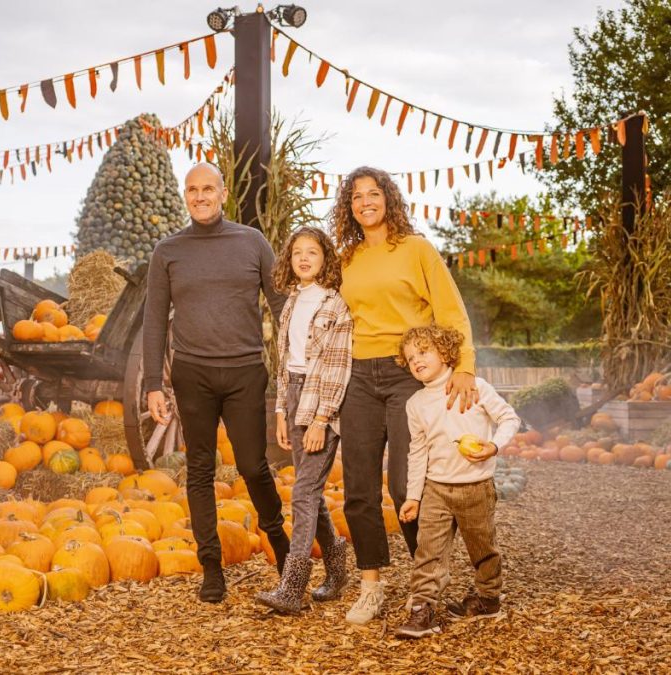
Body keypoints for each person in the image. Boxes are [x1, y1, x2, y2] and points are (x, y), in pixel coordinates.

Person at [330, 166, 479, 625]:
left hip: (406, 375)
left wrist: (465, 367)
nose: (364, 202)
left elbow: (451, 312)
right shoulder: (347, 258)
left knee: (404, 486)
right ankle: (371, 584)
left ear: (388, 199)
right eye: (356, 197)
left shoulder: (416, 250)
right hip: (357, 376)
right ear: (348, 208)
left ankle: (426, 585)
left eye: (373, 194)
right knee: (357, 487)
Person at [142, 162, 290, 604]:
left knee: (252, 465)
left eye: (208, 188)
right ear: (185, 196)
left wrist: (295, 371)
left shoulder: (252, 242)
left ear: (223, 193)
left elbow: (281, 306)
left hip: (245, 370)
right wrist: (154, 383)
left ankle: (282, 548)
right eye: (192, 190)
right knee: (201, 468)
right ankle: (211, 568)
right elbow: (154, 321)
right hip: (193, 373)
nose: (200, 196)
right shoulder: (168, 251)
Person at [392, 324, 520, 638]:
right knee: (428, 551)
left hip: (476, 485)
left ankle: (489, 597)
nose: (416, 360)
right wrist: (413, 496)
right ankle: (423, 608)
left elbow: (509, 418)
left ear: (446, 353)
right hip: (435, 488)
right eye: (410, 358)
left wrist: (493, 446)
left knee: (483, 548)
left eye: (424, 352)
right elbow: (417, 451)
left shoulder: (475, 386)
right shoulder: (416, 404)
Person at [255, 226, 353, 614]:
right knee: (309, 490)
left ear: (326, 258)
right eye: (298, 252)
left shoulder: (335, 305)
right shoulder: (292, 302)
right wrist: (282, 409)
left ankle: (292, 588)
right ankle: (337, 566)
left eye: (313, 252)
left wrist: (321, 418)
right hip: (295, 395)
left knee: (302, 492)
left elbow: (335, 366)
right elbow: (285, 363)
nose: (305, 258)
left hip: (321, 400)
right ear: (289, 260)